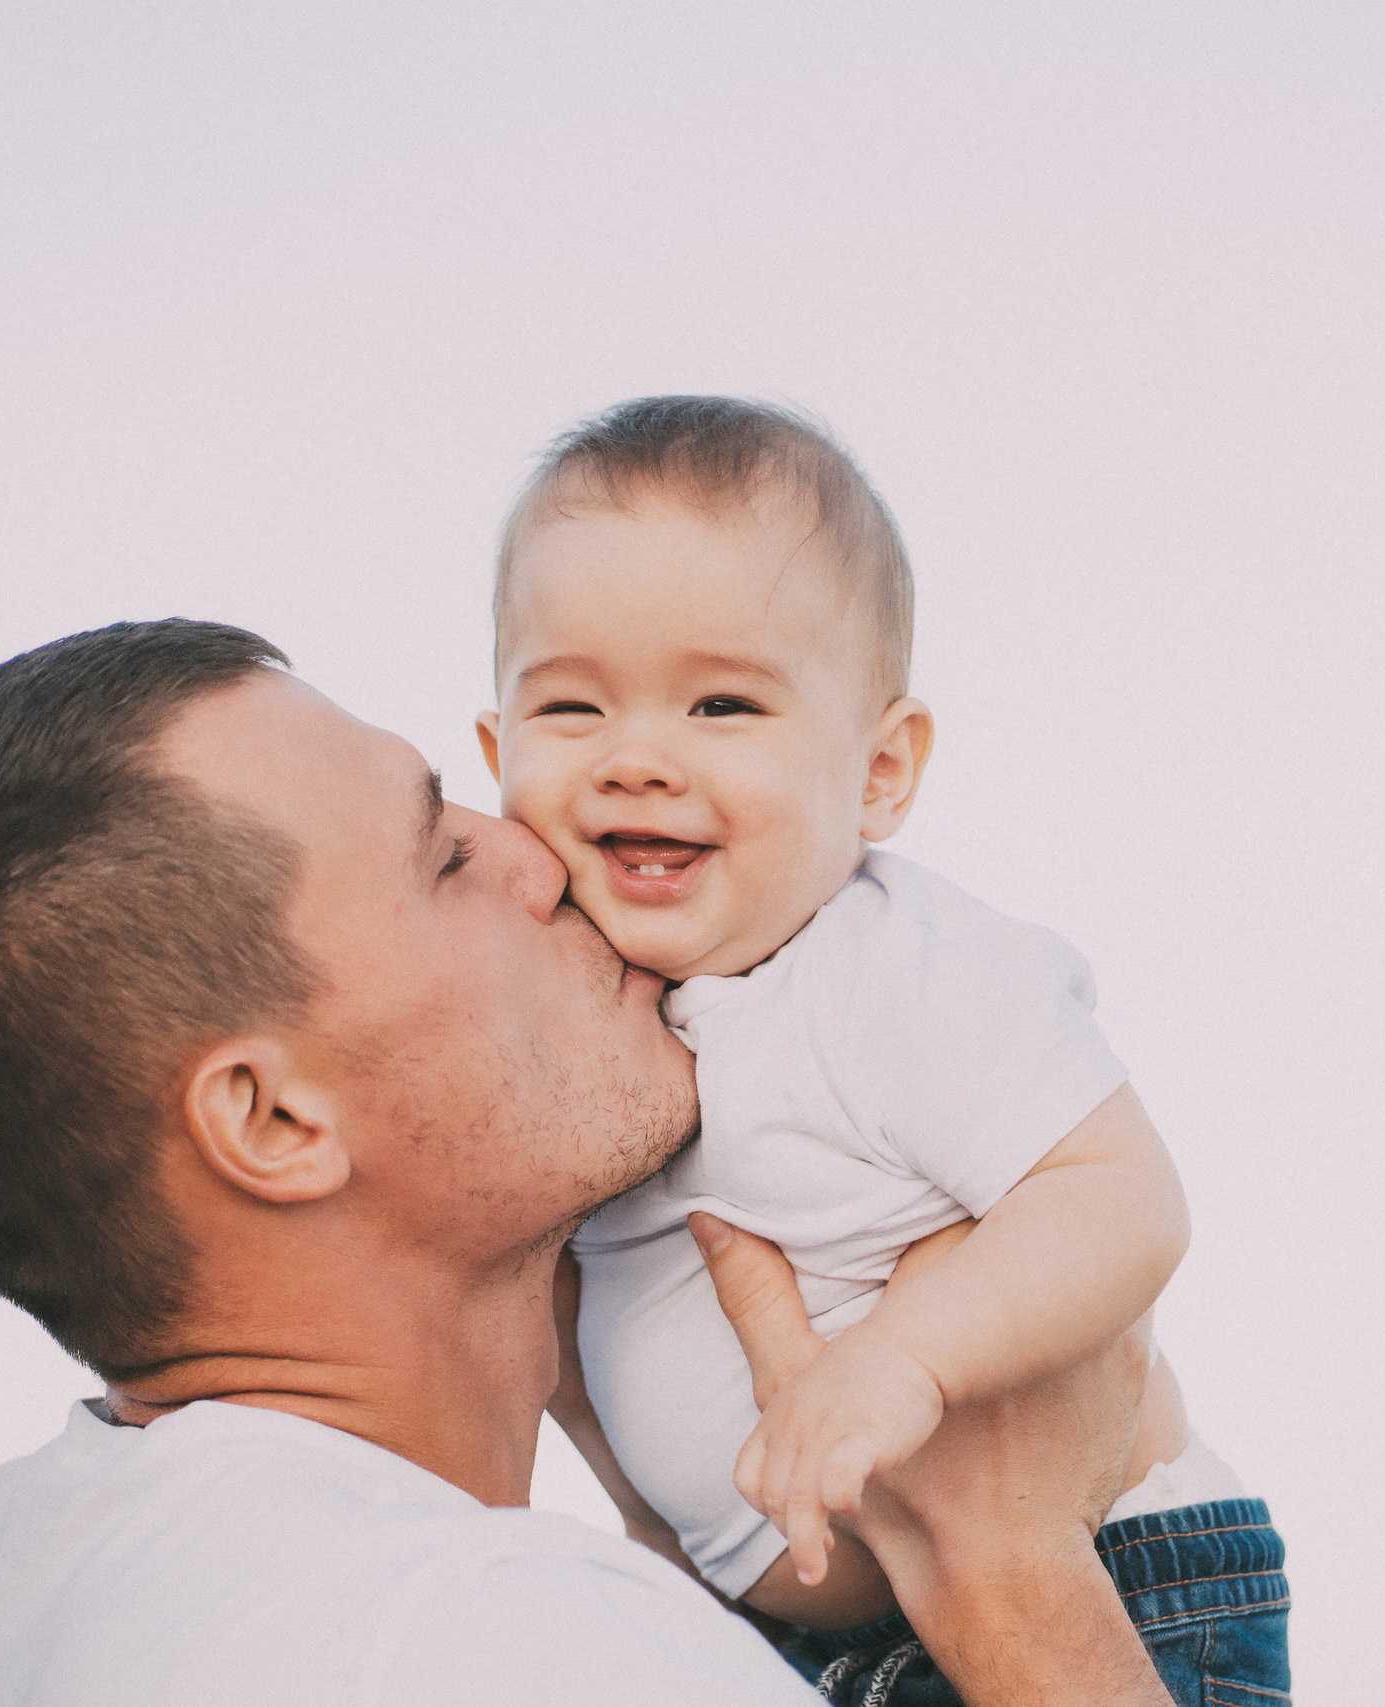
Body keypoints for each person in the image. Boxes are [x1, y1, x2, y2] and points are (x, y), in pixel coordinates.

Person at [0, 620, 1173, 1705]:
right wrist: (1008, 1572)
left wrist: (655, 1506)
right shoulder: (498, 1644)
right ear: (273, 1123)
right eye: (443, 855)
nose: (543, 858)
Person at [477, 398, 1289, 1701]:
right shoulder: (583, 1022)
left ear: (879, 771)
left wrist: (906, 1361)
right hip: (814, 1640)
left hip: (1113, 1586)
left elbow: (1123, 1198)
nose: (637, 757)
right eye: (572, 706)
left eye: (722, 703)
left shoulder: (895, 969)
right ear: (494, 750)